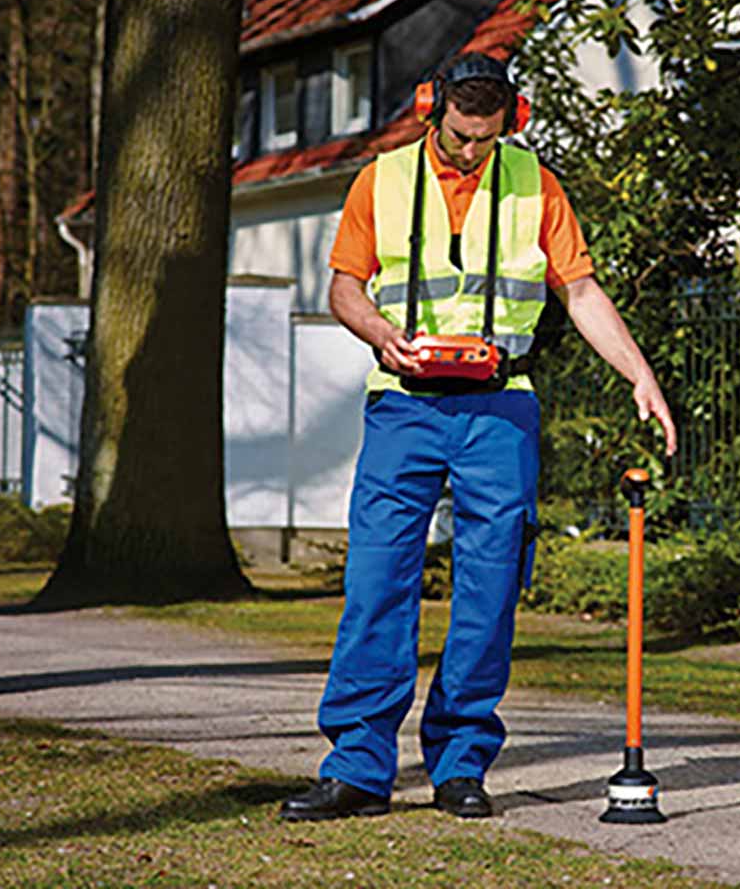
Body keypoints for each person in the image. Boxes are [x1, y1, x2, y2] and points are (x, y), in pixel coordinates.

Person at [280, 51, 676, 822]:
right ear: (433, 110)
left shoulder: (536, 184)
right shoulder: (382, 180)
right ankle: (358, 766)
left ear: (511, 121)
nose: (469, 150)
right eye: (459, 135)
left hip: (501, 411)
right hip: (403, 405)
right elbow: (343, 286)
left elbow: (582, 291)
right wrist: (381, 334)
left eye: (485, 138)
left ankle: (461, 764)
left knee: (490, 593)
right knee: (375, 585)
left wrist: (641, 373)